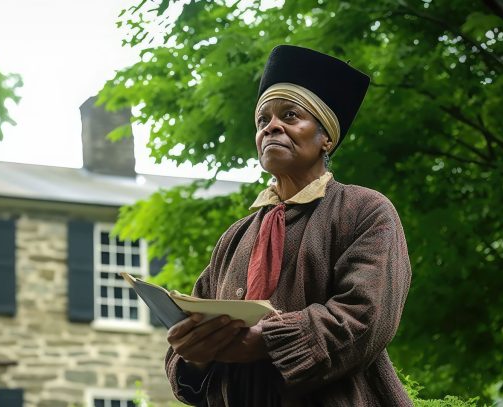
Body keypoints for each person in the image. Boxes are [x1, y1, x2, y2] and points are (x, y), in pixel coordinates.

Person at [164, 45, 413, 406]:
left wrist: (266, 341)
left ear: (326, 136)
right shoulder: (235, 238)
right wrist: (194, 354)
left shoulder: (365, 211)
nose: (272, 127)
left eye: (290, 115)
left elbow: (365, 317)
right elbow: (192, 324)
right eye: (262, 120)